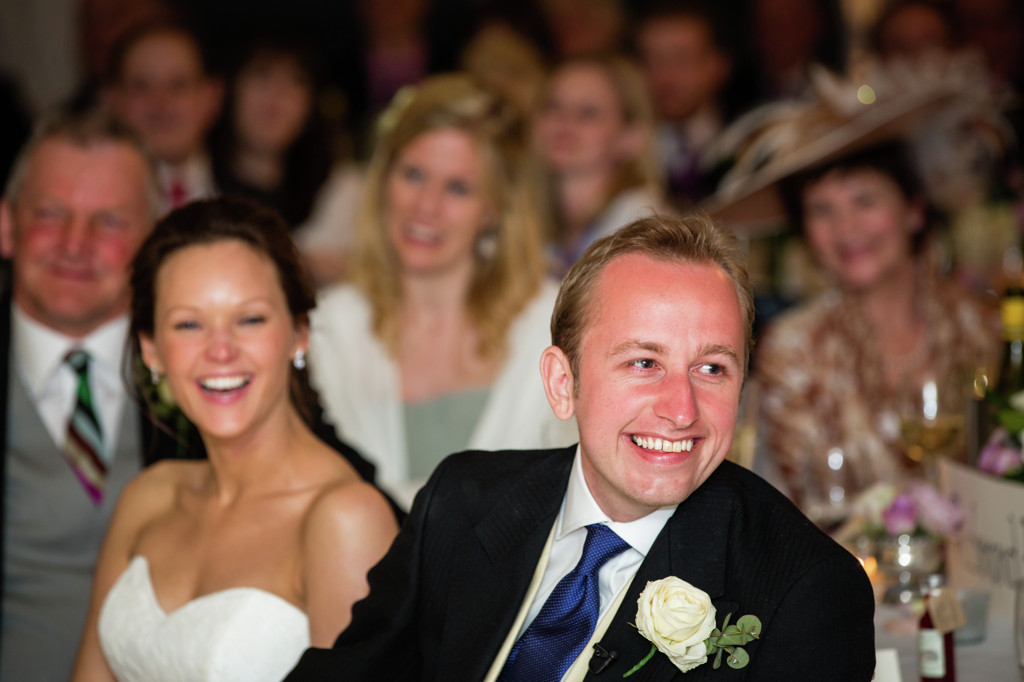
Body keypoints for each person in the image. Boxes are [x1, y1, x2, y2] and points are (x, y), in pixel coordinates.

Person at [285, 214, 876, 681]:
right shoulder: (460, 503)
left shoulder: (806, 593)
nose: (682, 409)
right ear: (562, 383)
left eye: (712, 369)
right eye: (644, 363)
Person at [71, 198, 399, 681]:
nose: (220, 350)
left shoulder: (345, 519)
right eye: (189, 324)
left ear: (299, 333)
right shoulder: (148, 497)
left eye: (249, 319)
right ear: (151, 349)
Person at [309, 74, 577, 508]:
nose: (426, 206)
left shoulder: (551, 327)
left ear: (494, 209)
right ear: (383, 179)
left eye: (458, 188)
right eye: (413, 175)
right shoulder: (330, 328)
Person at [0, 109, 165, 682]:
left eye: (110, 222)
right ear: (6, 224)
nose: (75, 243)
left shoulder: (211, 368)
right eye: (50, 214)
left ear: (153, 242)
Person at [209, 35, 364, 287]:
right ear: (227, 90)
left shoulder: (343, 193)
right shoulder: (187, 182)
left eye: (296, 80)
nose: (277, 94)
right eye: (262, 75)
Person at [529, 54, 666, 275]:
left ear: (631, 136)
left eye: (588, 112)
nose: (565, 121)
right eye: (553, 106)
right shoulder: (527, 215)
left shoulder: (643, 229)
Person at [102, 17, 222, 211]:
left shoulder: (254, 201)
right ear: (110, 100)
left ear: (212, 97)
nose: (161, 102)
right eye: (141, 86)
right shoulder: (92, 205)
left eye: (178, 85)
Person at [634, 1, 735, 209]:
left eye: (681, 59)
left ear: (719, 65)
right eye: (653, 60)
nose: (665, 75)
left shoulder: (749, 140)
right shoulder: (625, 152)